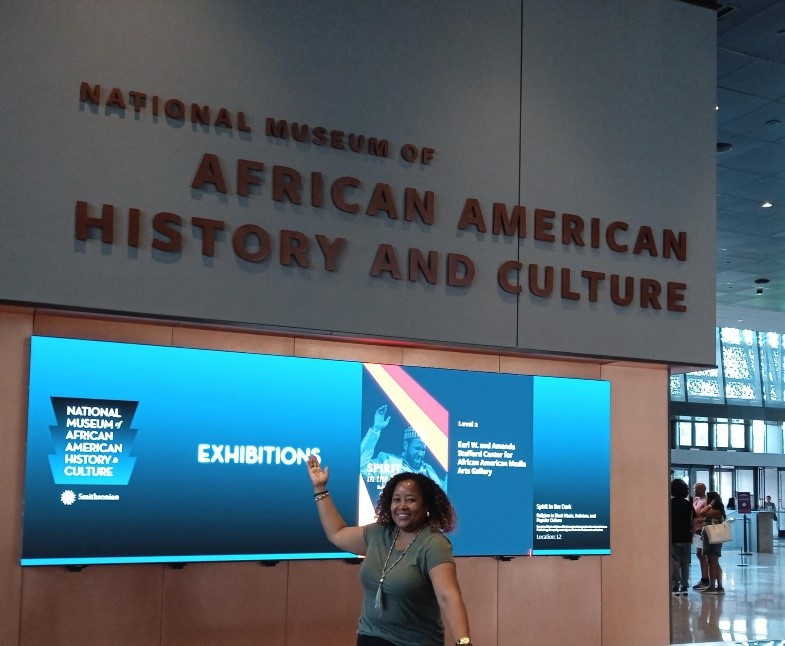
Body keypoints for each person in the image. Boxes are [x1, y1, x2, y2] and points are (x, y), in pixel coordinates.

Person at [306, 454, 472, 646]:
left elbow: (448, 597)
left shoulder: (433, 544)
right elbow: (337, 533)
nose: (402, 506)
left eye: (410, 500)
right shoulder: (379, 534)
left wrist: (464, 642)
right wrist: (320, 488)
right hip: (370, 637)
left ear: (426, 506)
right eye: (396, 500)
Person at [360, 404, 447, 491]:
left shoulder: (428, 470)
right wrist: (376, 429)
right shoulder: (388, 462)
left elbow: (444, 493)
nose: (421, 454)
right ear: (406, 445)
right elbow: (361, 466)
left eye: (423, 450)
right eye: (417, 448)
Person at [698, 491, 726, 595]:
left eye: (707, 498)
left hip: (711, 538)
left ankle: (712, 586)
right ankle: (719, 586)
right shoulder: (718, 511)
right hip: (714, 538)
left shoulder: (715, 510)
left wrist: (710, 504)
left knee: (711, 562)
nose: (705, 500)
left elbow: (702, 512)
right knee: (715, 562)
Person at [670, 479, 693, 595]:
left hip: (673, 536)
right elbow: (692, 520)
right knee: (685, 563)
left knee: (674, 561)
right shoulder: (687, 504)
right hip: (686, 536)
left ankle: (675, 585)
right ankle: (684, 585)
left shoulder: (670, 504)